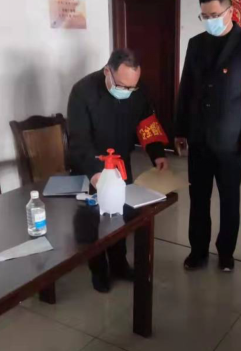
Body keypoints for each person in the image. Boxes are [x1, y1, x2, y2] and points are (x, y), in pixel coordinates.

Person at [175, 0, 241, 272]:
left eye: (214, 15)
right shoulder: (195, 44)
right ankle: (198, 251)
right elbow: (186, 89)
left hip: (231, 140)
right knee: (198, 199)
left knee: (230, 200)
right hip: (199, 138)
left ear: (230, 11)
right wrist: (180, 130)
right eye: (204, 16)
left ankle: (226, 252)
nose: (210, 21)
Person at [68, 48, 169, 293]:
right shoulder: (82, 92)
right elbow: (79, 140)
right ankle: (98, 270)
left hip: (120, 164)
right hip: (90, 167)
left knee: (120, 216)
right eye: (123, 86)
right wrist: (96, 173)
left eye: (132, 87)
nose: (127, 91)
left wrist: (157, 153)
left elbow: (146, 122)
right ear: (107, 72)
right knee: (93, 222)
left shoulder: (137, 89)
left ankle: (119, 264)